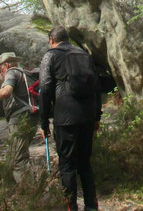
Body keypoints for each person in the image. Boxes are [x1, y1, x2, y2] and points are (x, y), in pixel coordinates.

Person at [39, 26, 101, 211]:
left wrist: (43, 123)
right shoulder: (83, 55)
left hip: (65, 118)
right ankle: (91, 206)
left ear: (51, 39)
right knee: (85, 164)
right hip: (87, 116)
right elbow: (96, 87)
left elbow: (44, 90)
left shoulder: (50, 56)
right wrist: (97, 117)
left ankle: (71, 207)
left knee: (67, 165)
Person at [0, 52, 38, 183]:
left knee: (18, 160)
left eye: (0, 68)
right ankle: (29, 189)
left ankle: (30, 194)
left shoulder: (12, 72)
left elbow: (6, 92)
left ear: (6, 65)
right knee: (14, 157)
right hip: (31, 116)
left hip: (19, 118)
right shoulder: (23, 73)